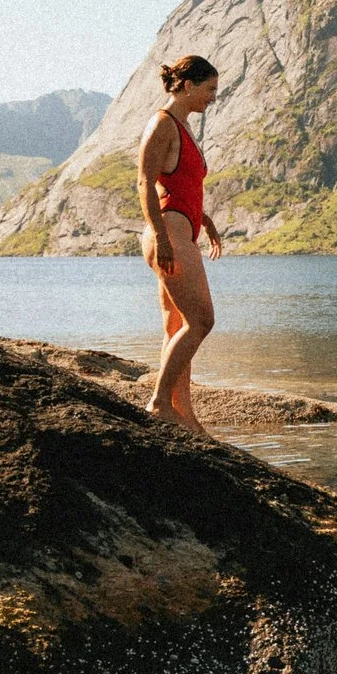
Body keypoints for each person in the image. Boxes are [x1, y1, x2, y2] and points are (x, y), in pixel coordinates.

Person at [139, 55, 224, 434]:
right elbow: (145, 182)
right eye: (210, 89)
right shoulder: (162, 123)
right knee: (201, 321)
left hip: (181, 230)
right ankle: (159, 402)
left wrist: (203, 219)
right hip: (168, 234)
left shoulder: (184, 126)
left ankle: (182, 411)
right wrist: (161, 237)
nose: (213, 97)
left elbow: (182, 184)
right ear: (188, 85)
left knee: (177, 325)